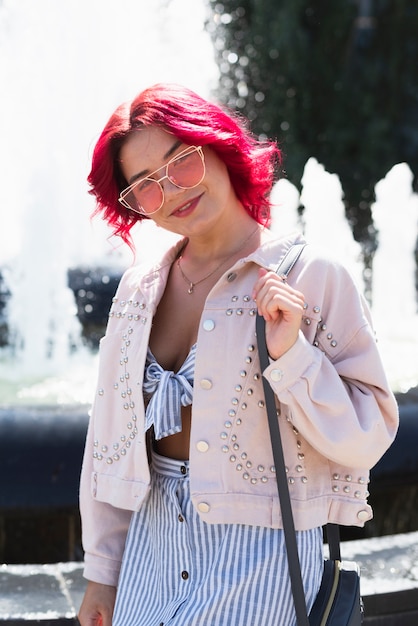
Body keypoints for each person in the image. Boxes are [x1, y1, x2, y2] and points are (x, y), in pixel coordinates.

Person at [77, 83, 398, 626]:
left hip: (259, 556)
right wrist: (102, 573)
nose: (172, 191)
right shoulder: (139, 290)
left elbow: (370, 435)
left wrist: (293, 356)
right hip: (149, 553)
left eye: (182, 161)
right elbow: (107, 439)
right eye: (145, 186)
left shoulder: (311, 273)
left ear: (217, 144)